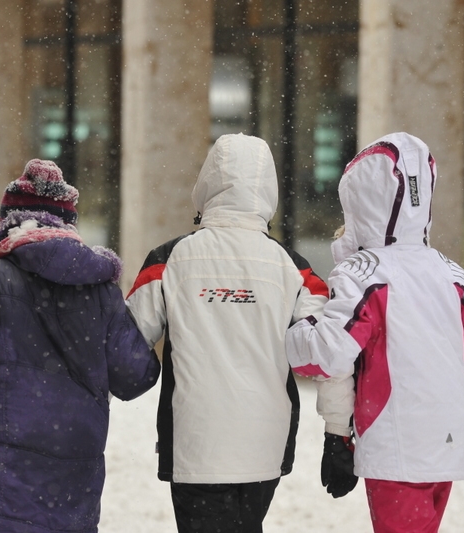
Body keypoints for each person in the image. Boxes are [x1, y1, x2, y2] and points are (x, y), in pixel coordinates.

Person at [0, 159, 160, 532]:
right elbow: (134, 376)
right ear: (68, 225)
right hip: (71, 490)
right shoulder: (101, 293)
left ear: (7, 222)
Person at [125, 133, 341, 533]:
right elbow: (326, 354)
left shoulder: (168, 259)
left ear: (207, 185)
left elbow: (126, 346)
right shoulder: (296, 269)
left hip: (195, 442)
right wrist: (338, 433)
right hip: (265, 442)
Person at [286, 132, 464, 533]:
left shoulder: (365, 274)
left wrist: (295, 330)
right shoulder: (450, 273)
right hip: (449, 441)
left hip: (396, 441)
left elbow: (329, 353)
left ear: (359, 205)